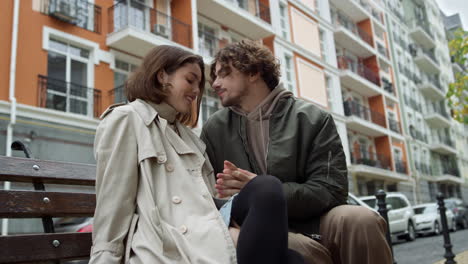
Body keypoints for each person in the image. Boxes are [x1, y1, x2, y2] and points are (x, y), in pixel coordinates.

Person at [89, 45, 304, 264]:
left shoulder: (190, 137)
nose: (196, 91)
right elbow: (113, 201)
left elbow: (207, 198)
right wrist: (104, 258)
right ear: (162, 75)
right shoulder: (127, 119)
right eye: (190, 80)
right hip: (171, 239)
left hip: (207, 226)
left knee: (266, 188)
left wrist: (229, 226)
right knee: (290, 258)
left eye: (199, 85)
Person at [201, 40, 393, 264]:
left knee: (362, 220)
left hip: (316, 218)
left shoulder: (312, 118)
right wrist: (249, 200)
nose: (215, 83)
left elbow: (332, 190)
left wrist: (264, 190)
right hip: (254, 225)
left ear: (253, 72)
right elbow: (204, 194)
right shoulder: (214, 128)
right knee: (294, 247)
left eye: (224, 74)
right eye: (214, 76)